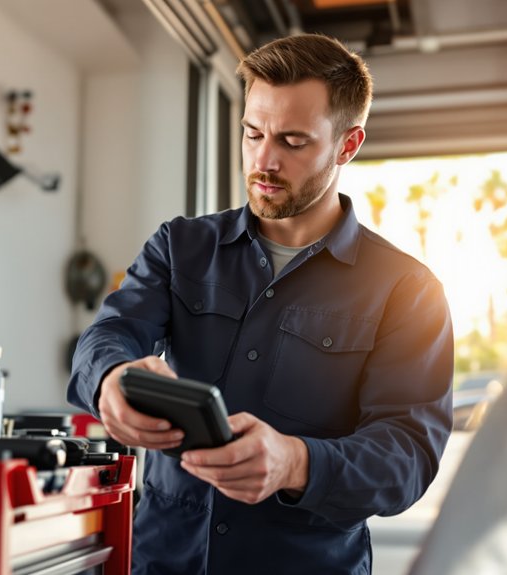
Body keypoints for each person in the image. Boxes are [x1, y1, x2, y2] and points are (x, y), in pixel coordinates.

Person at [68, 33, 453, 574]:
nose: (264, 160)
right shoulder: (180, 248)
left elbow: (407, 457)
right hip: (163, 559)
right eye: (253, 133)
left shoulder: (408, 291)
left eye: (294, 142)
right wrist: (110, 379)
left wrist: (297, 462)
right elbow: (107, 335)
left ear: (347, 145)